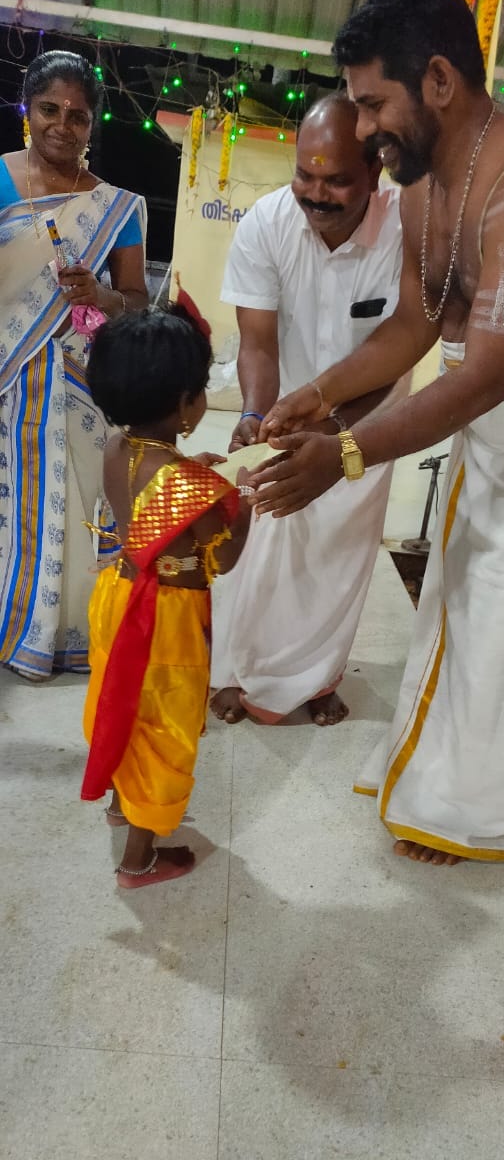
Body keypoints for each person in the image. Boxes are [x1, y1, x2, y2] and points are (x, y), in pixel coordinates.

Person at [250, 0, 504, 865]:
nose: (362, 131)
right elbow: (415, 324)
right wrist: (317, 395)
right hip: (492, 416)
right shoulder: (427, 188)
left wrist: (347, 454)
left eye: (372, 105)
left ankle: (485, 807)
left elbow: (483, 375)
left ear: (439, 79)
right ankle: (446, 764)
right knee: (464, 585)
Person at [210, 93, 404, 726]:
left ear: (375, 170)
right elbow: (258, 341)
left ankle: (317, 679)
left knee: (336, 554)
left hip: (369, 422)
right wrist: (257, 414)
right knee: (260, 537)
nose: (316, 194)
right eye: (305, 175)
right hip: (285, 414)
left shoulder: (406, 232)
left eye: (337, 180)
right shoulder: (266, 224)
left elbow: (397, 353)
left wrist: (334, 426)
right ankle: (239, 671)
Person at [81, 304, 252, 888]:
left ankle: (117, 799)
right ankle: (138, 858)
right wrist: (242, 507)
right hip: (166, 622)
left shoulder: (113, 445)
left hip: (118, 597)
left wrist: (189, 475)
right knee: (163, 725)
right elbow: (223, 561)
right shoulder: (199, 488)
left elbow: (153, 494)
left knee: (122, 701)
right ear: (185, 405)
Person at [0, 50, 148, 680]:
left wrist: (100, 296)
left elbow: (137, 301)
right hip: (9, 371)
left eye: (78, 116)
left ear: (93, 126)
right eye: (49, 110)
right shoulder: (1, 178)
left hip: (80, 381)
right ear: (26, 112)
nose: (63, 125)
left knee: (78, 504)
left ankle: (67, 636)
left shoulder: (118, 206)